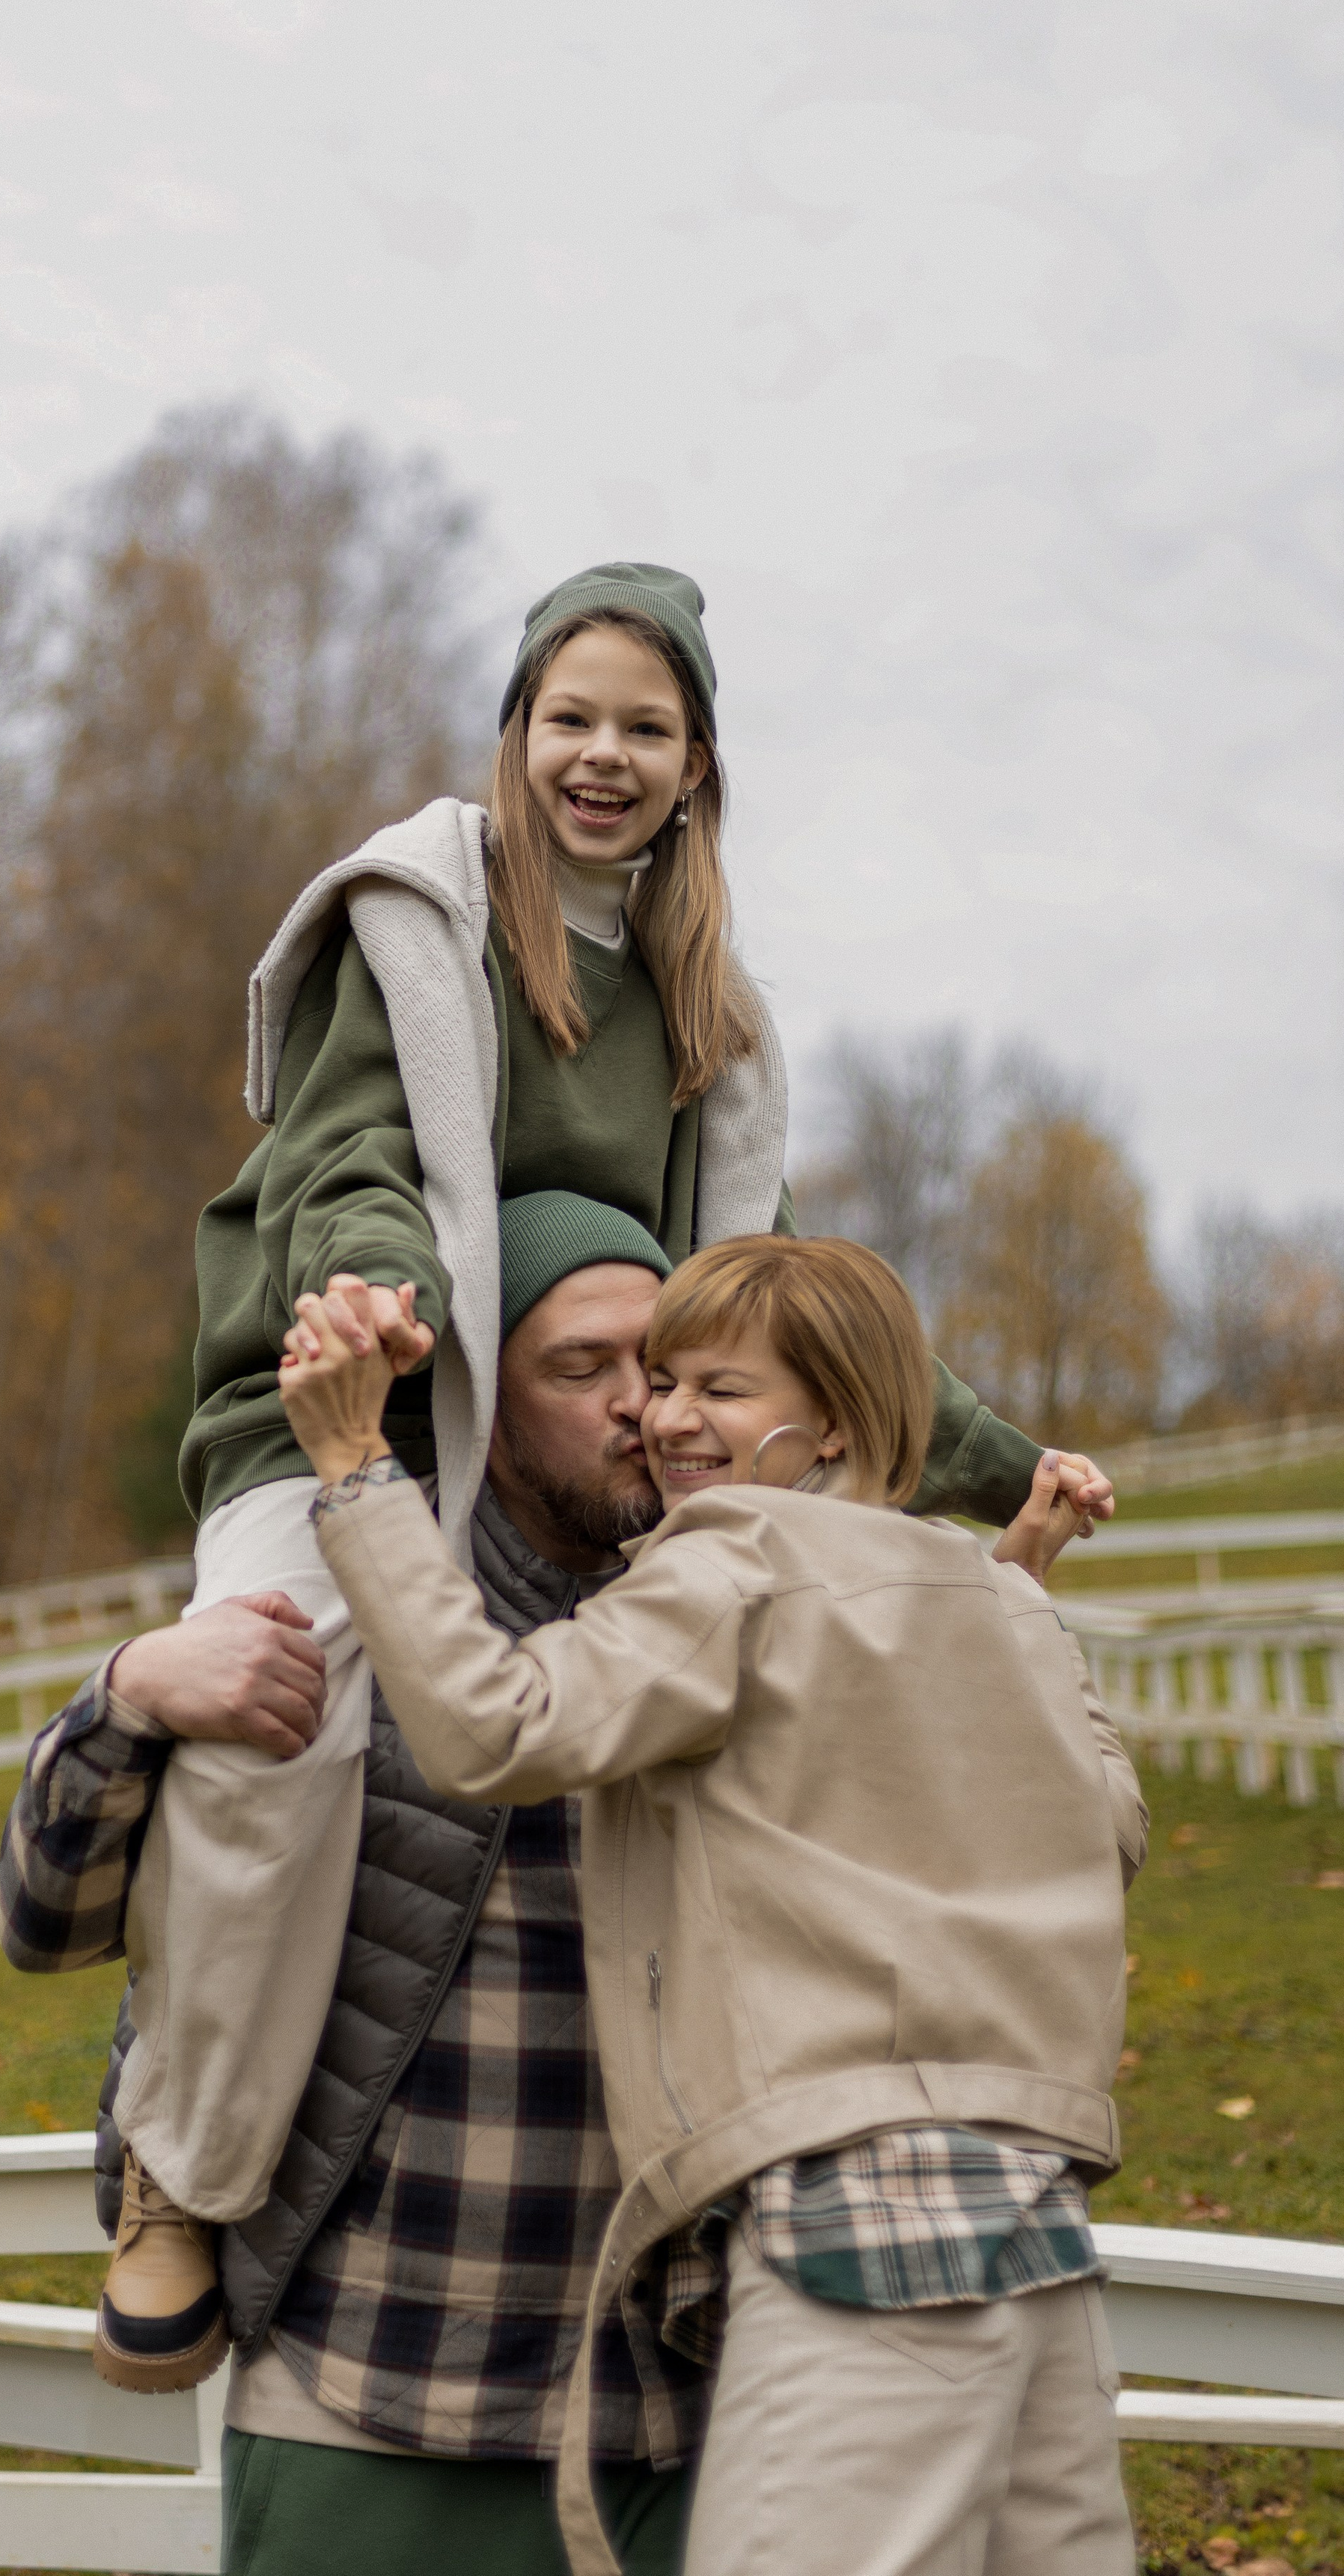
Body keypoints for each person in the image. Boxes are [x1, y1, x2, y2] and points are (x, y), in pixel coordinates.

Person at [89, 558, 1097, 2386]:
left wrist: (997, 1465)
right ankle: (182, 2165)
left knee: (749, 1707)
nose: (603, 755)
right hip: (342, 1380)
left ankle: (723, 2206)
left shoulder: (710, 1012)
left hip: (593, 1427)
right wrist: (376, 1293)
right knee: (286, 1718)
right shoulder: (419, 924)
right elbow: (344, 1153)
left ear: (698, 765)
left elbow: (783, 1306)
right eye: (571, 718)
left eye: (646, 726)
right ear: (513, 738)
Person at [0, 1200, 1117, 2576]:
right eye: (585, 1372)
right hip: (379, 2386)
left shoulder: (775, 1596)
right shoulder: (348, 1622)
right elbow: (42, 1923)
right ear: (477, 1396)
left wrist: (982, 1605)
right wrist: (124, 1701)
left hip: (700, 2396)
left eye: (679, 1370)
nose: (647, 1413)